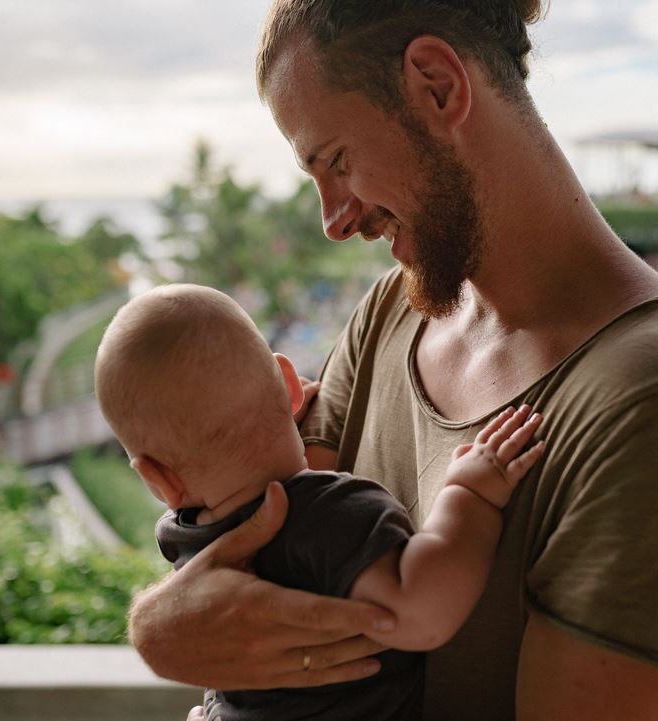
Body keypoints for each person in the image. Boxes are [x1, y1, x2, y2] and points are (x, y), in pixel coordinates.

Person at [128, 2, 658, 720]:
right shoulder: (391, 314)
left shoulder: (657, 395)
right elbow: (257, 530)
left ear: (436, 84)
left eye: (336, 161)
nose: (334, 220)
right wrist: (157, 628)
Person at [95, 283, 545, 721]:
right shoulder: (334, 513)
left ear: (157, 479)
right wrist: (470, 495)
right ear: (292, 386)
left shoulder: (185, 539)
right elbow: (421, 616)